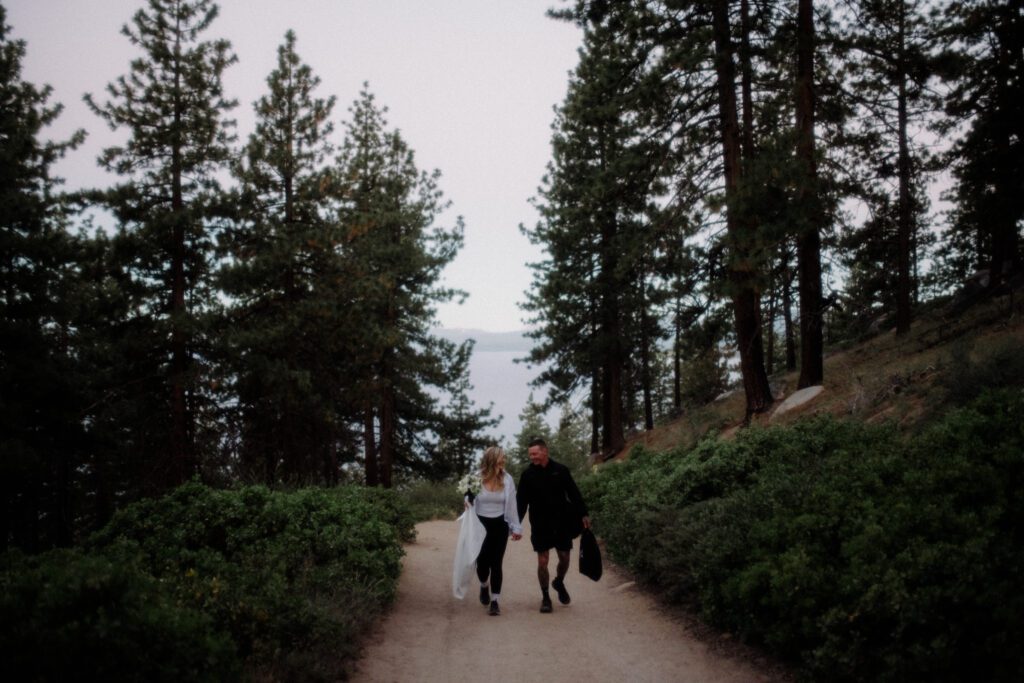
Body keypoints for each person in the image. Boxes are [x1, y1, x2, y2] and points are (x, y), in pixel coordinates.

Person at [516, 437, 590, 613]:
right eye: (530, 455)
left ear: (545, 451)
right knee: (543, 561)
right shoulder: (527, 475)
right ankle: (546, 597)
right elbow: (521, 502)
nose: (532, 457)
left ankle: (559, 581)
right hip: (540, 524)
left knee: (564, 558)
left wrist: (583, 513)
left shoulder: (560, 470)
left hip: (561, 522)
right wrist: (515, 524)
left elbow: (573, 492)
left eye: (535, 454)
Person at [465, 446, 522, 615]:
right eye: (501, 457)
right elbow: (469, 496)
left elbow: (512, 504)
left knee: (496, 563)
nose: (504, 460)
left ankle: (495, 601)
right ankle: (484, 585)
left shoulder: (508, 479)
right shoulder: (476, 477)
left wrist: (515, 527)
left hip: (500, 525)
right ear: (492, 459)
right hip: (480, 525)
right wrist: (466, 502)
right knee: (482, 563)